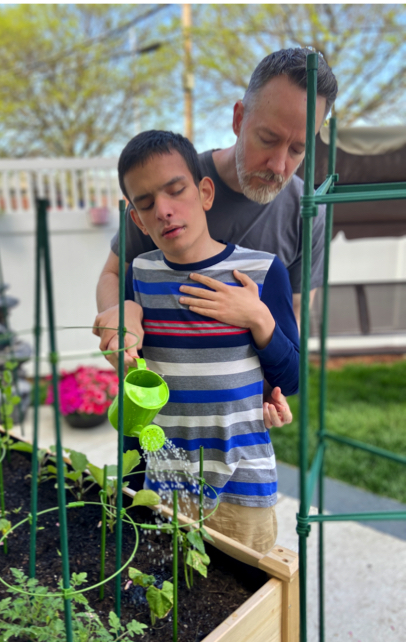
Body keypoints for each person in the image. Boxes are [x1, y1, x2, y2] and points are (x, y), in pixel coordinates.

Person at [94, 47, 338, 429]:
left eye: (297, 149)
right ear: (239, 119)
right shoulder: (172, 183)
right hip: (156, 415)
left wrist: (269, 392)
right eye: (268, 138)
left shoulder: (308, 215)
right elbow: (114, 275)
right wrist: (118, 316)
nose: (279, 165)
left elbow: (291, 326)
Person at [118, 129, 300, 554]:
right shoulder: (139, 276)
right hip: (166, 485)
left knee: (247, 600)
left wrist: (258, 317)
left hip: (244, 487)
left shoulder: (261, 271)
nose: (163, 210)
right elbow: (135, 382)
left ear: (204, 192)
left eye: (175, 190)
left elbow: (289, 378)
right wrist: (120, 331)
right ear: (137, 220)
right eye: (145, 203)